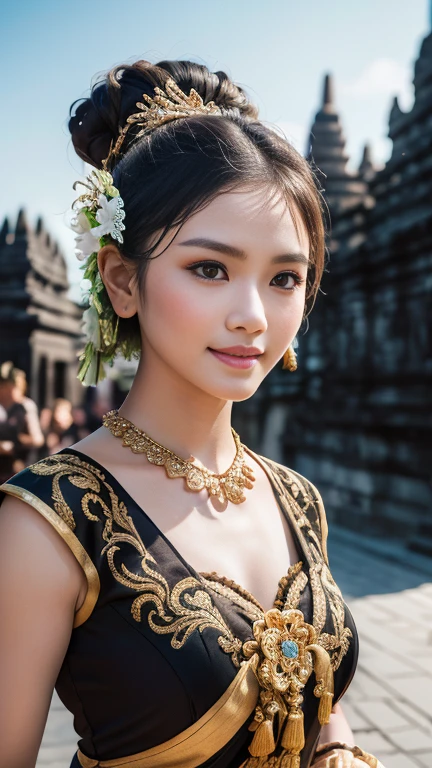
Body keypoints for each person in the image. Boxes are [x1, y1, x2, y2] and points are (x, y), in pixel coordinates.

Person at [0, 60, 384, 768]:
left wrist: (341, 750)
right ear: (122, 280)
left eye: (285, 279)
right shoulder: (48, 522)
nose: (252, 316)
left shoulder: (297, 499)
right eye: (210, 268)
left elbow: (321, 709)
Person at [0, 362, 44, 481]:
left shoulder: (26, 406)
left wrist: (13, 445)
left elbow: (37, 439)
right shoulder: (3, 408)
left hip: (21, 471)